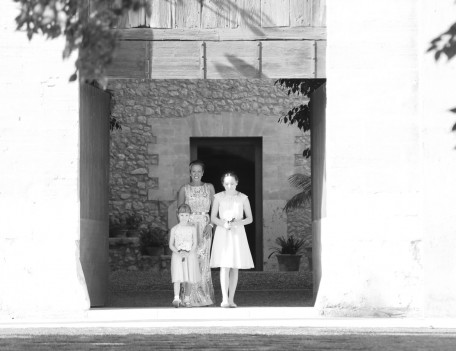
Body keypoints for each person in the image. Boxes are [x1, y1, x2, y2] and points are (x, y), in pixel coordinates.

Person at [210, 171, 254, 308]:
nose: (229, 186)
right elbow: (213, 217)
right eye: (227, 184)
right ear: (223, 184)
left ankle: (231, 299)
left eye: (232, 183)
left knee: (235, 266)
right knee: (224, 265)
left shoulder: (243, 198)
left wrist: (235, 224)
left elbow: (249, 218)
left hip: (237, 233)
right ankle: (224, 299)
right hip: (223, 232)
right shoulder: (217, 197)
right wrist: (224, 224)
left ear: (237, 183)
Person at [177, 160, 215, 307]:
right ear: (190, 172)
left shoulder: (209, 187)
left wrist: (211, 224)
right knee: (189, 260)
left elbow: (216, 209)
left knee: (203, 261)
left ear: (203, 173)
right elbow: (179, 212)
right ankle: (188, 297)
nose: (196, 174)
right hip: (189, 228)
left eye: (199, 171)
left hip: (205, 226)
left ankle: (203, 296)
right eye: (194, 171)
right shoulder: (184, 189)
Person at [169, 204, 200, 308]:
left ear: (189, 215)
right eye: (182, 215)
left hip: (190, 255)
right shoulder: (174, 229)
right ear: (178, 215)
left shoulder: (192, 228)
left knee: (189, 277)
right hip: (178, 255)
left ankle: (187, 298)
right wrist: (179, 252)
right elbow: (171, 244)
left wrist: (188, 252)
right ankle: (176, 298)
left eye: (186, 215)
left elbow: (195, 243)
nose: (184, 217)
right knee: (177, 276)